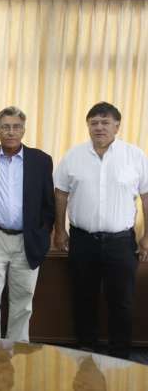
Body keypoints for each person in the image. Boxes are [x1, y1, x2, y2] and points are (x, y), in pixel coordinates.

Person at [53, 102, 148, 359]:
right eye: (94, 122)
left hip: (121, 242)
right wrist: (59, 231)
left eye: (105, 122)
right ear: (88, 126)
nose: (99, 127)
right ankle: (86, 350)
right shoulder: (73, 156)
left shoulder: (135, 156)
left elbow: (146, 197)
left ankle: (120, 356)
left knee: (122, 302)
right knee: (84, 298)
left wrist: (146, 237)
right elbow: (60, 193)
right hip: (83, 240)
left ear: (117, 126)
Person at [0, 106, 55, 342]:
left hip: (27, 239)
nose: (11, 132)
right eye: (5, 127)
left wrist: (43, 235)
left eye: (16, 127)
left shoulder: (41, 160)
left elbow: (48, 204)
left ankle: (18, 348)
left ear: (23, 129)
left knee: (23, 298)